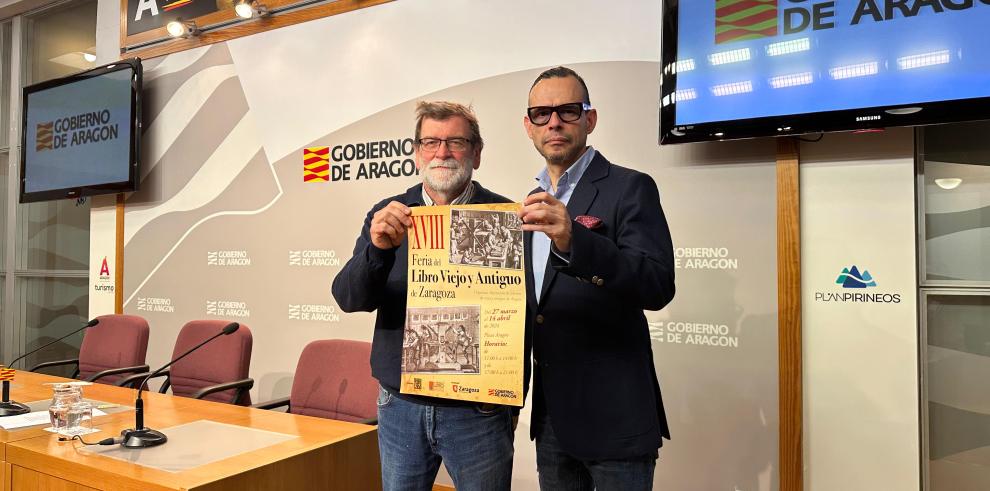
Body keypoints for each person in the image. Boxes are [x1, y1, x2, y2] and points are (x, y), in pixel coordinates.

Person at [332, 101, 515, 491]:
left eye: (456, 142)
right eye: (431, 142)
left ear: (477, 153)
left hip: (479, 410)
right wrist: (378, 249)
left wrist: (510, 398)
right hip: (401, 407)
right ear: (416, 153)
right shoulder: (389, 215)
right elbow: (349, 297)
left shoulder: (504, 217)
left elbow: (523, 312)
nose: (442, 152)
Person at [517, 66, 676, 490]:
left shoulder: (630, 187)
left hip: (616, 421)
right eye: (541, 113)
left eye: (568, 110)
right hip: (552, 422)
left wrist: (575, 241)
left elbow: (657, 284)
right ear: (528, 126)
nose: (554, 122)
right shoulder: (528, 204)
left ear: (590, 119)